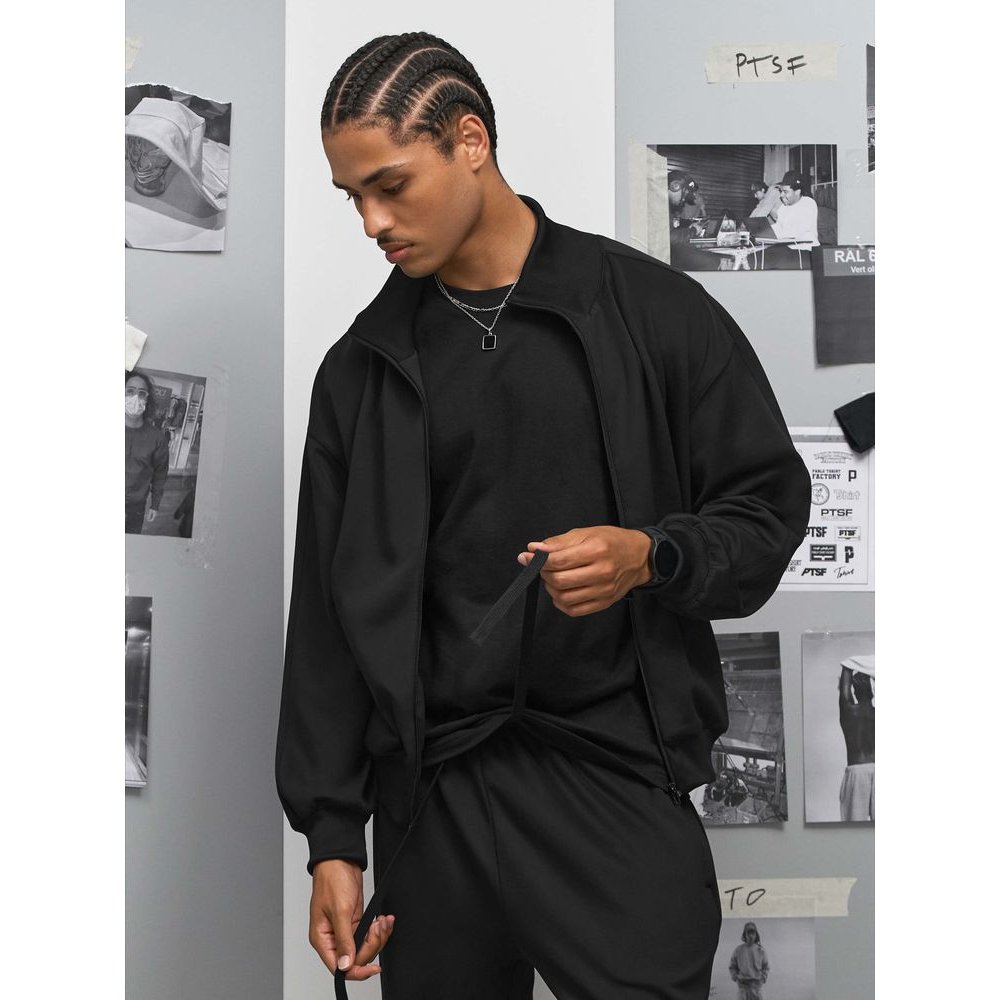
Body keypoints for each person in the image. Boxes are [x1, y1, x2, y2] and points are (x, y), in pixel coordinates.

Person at [276, 31, 811, 1000]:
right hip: (430, 801)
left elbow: (767, 511)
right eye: (352, 196)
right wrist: (331, 835)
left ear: (470, 140)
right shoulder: (359, 372)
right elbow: (327, 613)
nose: (371, 221)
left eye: (390, 185)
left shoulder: (653, 313)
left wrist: (652, 554)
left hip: (613, 784)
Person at [125, 371, 169, 534]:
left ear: (147, 399)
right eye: (130, 391)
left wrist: (155, 504)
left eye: (141, 393)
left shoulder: (157, 438)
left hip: (135, 508)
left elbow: (160, 474)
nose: (135, 397)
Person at [838, 654, 875, 821]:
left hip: (857, 771)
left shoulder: (848, 711)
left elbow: (844, 692)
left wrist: (848, 665)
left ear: (854, 689)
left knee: (853, 827)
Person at [768, 169, 819, 246]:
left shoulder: (808, 203)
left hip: (805, 248)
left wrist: (774, 235)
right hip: (787, 247)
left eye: (785, 192)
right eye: (781, 191)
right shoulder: (783, 207)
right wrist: (765, 232)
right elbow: (779, 227)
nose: (781, 195)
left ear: (797, 191)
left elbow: (796, 232)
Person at [728, 921, 769, 1000]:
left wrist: (763, 977)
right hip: (743, 986)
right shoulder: (738, 950)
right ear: (744, 935)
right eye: (748, 933)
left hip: (757, 986)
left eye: (753, 933)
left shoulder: (760, 951)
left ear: (756, 935)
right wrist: (735, 976)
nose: (750, 936)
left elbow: (766, 966)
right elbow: (732, 966)